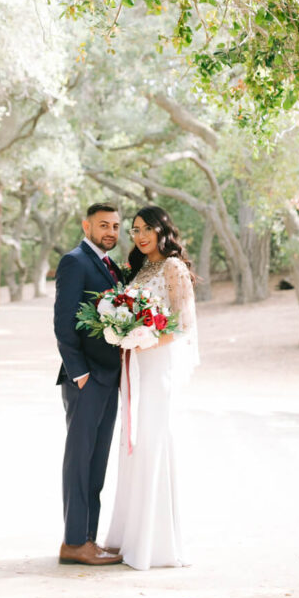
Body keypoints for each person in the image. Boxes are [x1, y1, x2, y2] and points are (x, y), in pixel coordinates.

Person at [105, 204, 199, 570]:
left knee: (154, 440)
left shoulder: (173, 267)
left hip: (158, 366)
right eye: (135, 230)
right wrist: (124, 332)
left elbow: (184, 324)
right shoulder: (139, 269)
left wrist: (144, 338)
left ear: (162, 229)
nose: (140, 236)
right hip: (136, 367)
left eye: (146, 228)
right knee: (135, 441)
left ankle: (156, 544)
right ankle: (131, 536)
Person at [54, 202, 124, 566]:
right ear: (86, 225)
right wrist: (80, 374)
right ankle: (73, 540)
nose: (110, 231)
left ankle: (88, 540)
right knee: (79, 462)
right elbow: (64, 324)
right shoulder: (75, 261)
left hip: (108, 379)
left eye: (115, 226)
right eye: (103, 225)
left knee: (96, 464)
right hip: (86, 380)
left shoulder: (112, 267)